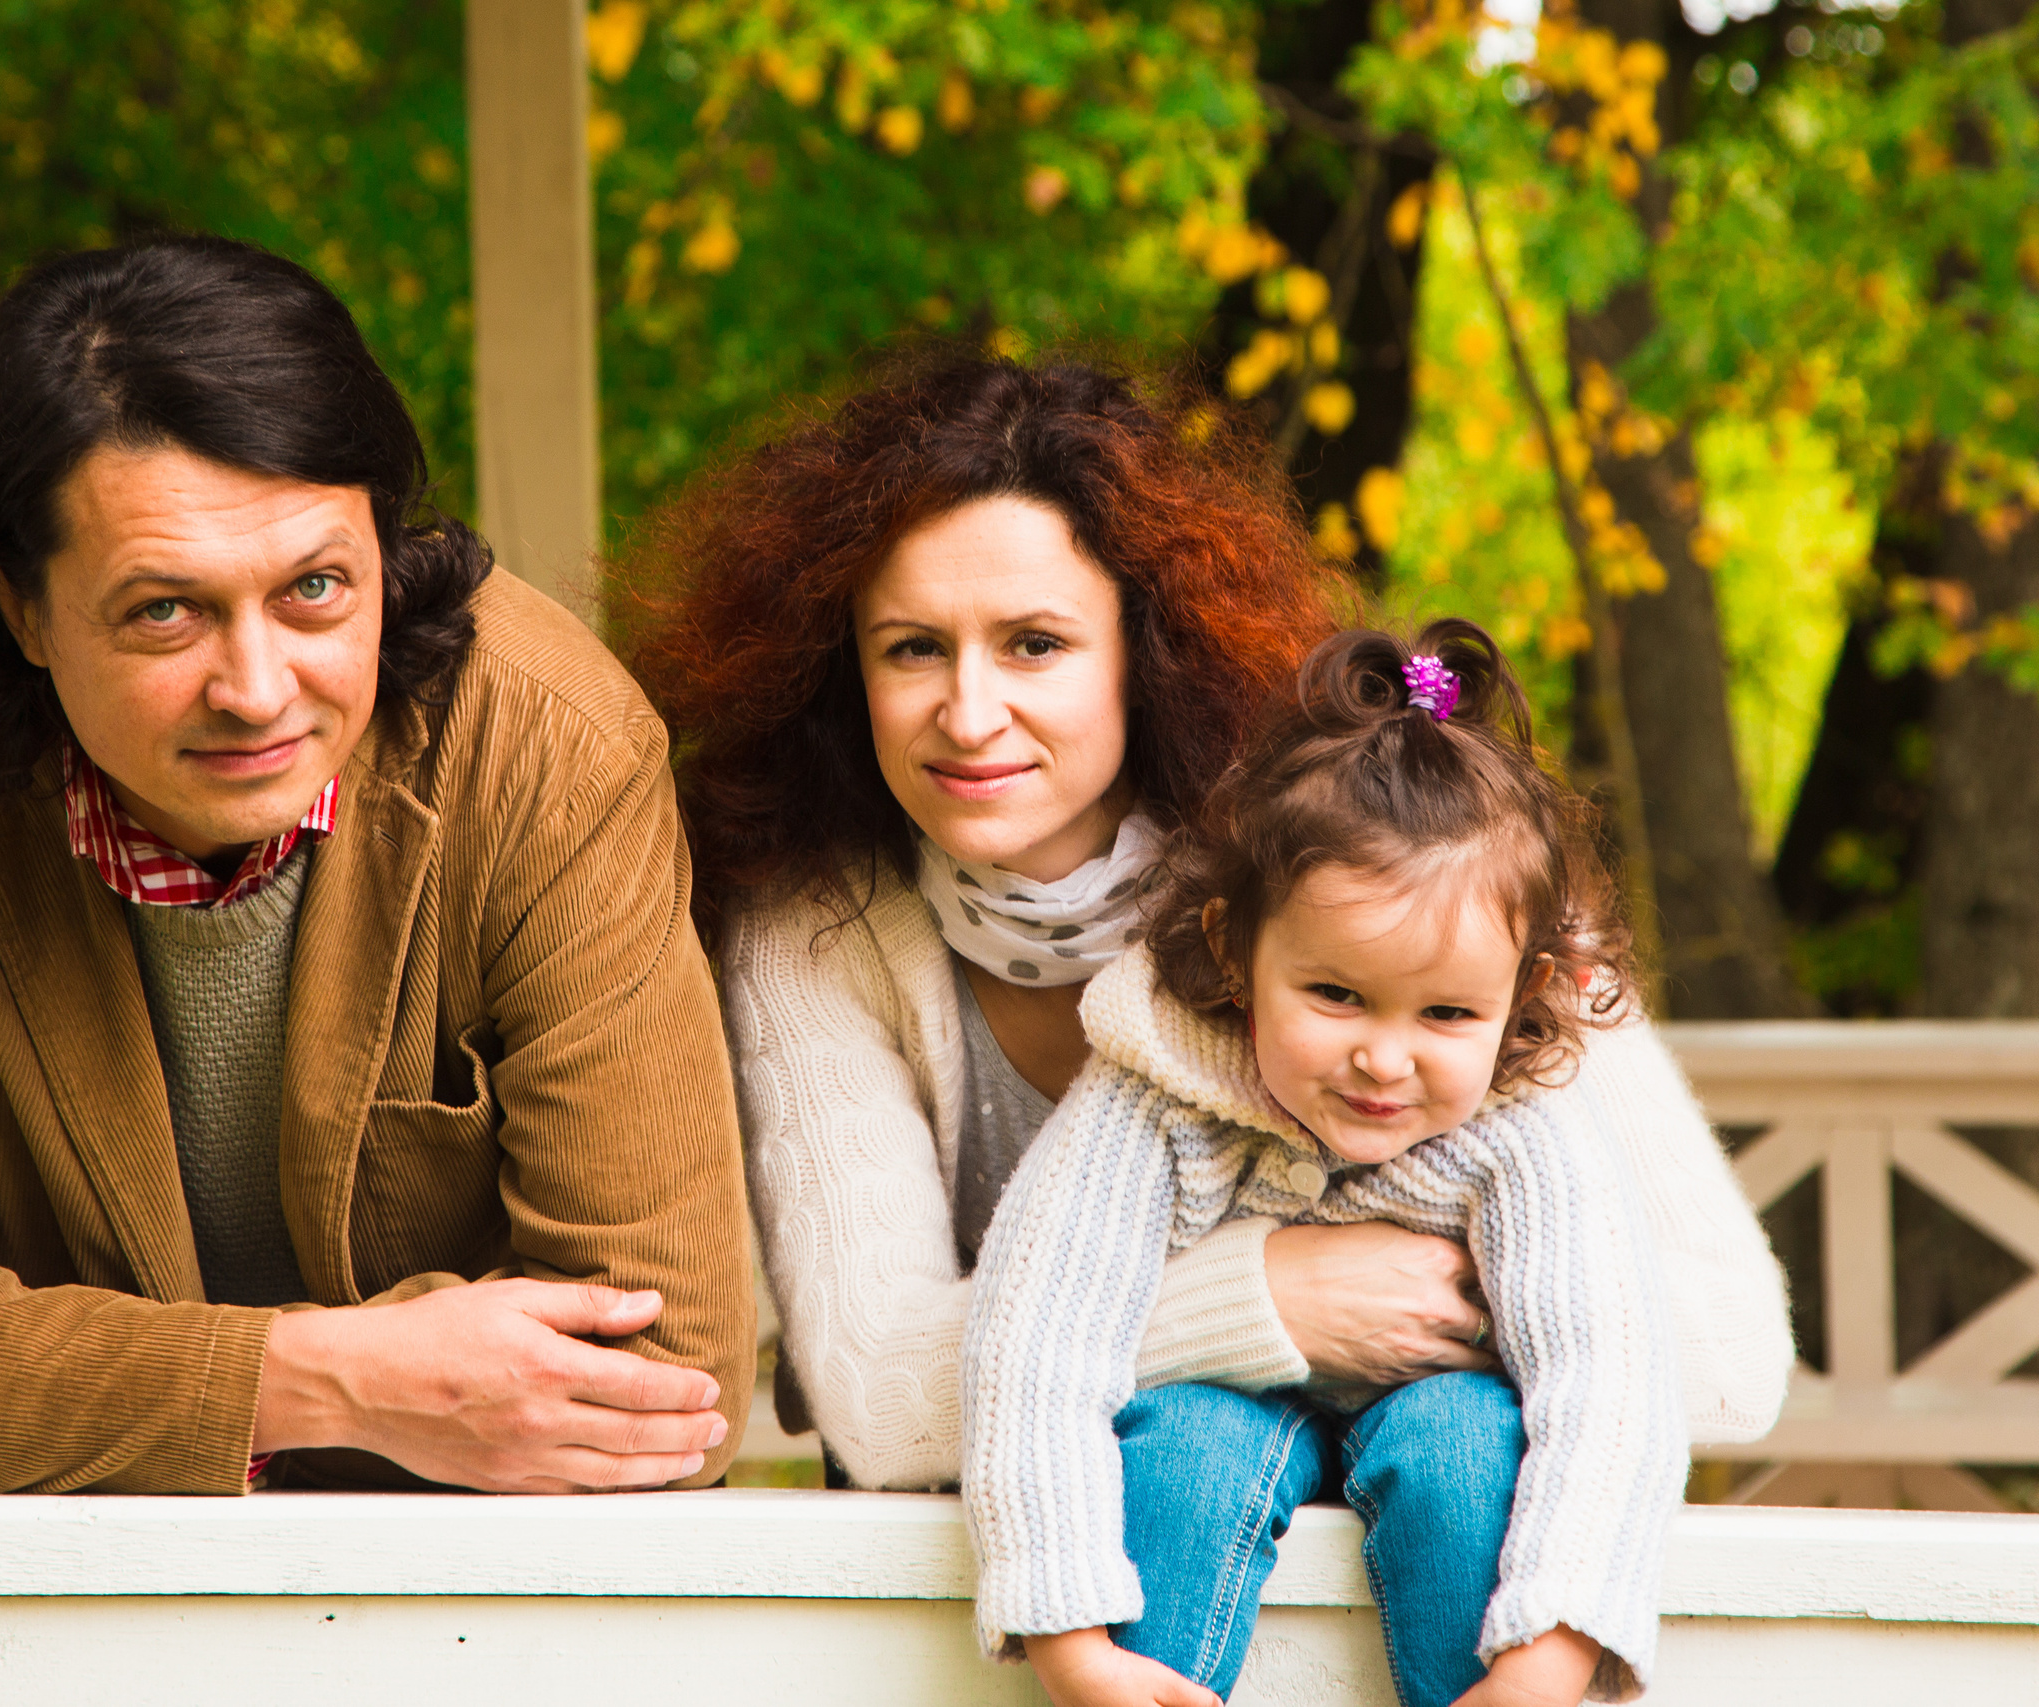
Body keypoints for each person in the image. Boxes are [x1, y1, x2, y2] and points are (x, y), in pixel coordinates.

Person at [619, 354, 1786, 1500]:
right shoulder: (814, 928)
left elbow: (1728, 1361)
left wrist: (1457, 1312)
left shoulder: (1390, 868)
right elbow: (878, 1403)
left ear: (1146, 650)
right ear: (844, 672)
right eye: (912, 648)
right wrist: (1273, 1298)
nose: (968, 714)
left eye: (1035, 643)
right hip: (990, 1622)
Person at [0, 234, 752, 1495]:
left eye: (315, 588)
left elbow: (660, 1380)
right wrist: (327, 1377)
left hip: (476, 1600)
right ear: (20, 604)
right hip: (44, 1601)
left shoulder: (555, 749)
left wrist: (48, 1393)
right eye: (164, 611)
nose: (257, 691)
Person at [963, 621, 1682, 1707]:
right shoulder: (1154, 1091)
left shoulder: (1524, 1132)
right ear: (1236, 950)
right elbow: (1037, 1340)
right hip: (1222, 1402)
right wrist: (1067, 1633)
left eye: (1445, 1012)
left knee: (1463, 1448)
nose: (1381, 1058)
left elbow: (1609, 1381)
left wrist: (1560, 1640)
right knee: (1182, 1451)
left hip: (1435, 1406)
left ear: (1520, 993)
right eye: (1336, 994)